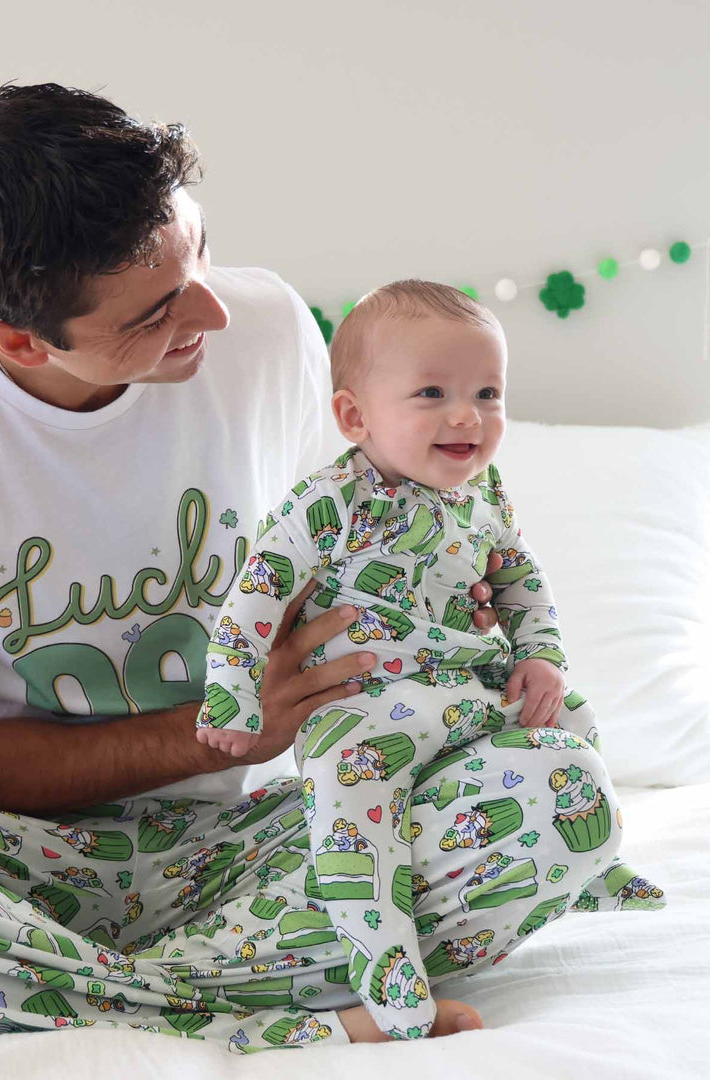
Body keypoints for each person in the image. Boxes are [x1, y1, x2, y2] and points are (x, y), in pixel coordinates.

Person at [0, 83, 623, 1053]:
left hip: (251, 859)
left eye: (197, 252)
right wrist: (214, 738)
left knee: (565, 797)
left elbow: (357, 551)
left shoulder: (273, 330)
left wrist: (465, 636)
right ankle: (272, 1019)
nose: (211, 309)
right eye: (156, 311)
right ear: (21, 340)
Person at [196, 279, 666, 1037]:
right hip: (361, 711)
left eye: (488, 392)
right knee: (355, 816)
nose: (466, 416)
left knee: (570, 715)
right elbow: (254, 594)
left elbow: (520, 579)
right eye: (432, 393)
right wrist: (230, 695)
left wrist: (541, 656)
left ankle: (593, 863)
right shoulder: (327, 503)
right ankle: (385, 967)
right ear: (355, 416)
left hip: (468, 692)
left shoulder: (485, 494)